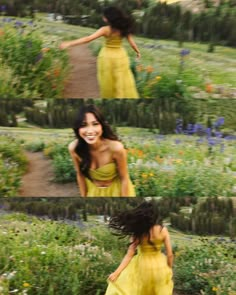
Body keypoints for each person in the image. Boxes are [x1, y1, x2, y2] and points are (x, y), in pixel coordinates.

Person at [60, 6, 140, 98]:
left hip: (107, 57)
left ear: (108, 18)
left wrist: (69, 43)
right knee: (121, 80)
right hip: (120, 56)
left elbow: (88, 39)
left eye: (104, 16)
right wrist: (137, 52)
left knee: (108, 81)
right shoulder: (123, 29)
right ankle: (120, 96)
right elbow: (132, 43)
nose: (103, 18)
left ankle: (111, 96)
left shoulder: (105, 30)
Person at [105, 200, 174, 295]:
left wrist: (116, 273)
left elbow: (129, 255)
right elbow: (170, 254)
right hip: (160, 266)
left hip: (142, 267)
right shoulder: (163, 230)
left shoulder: (138, 232)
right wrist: (169, 268)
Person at [68, 104, 135, 197]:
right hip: (93, 192)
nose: (90, 131)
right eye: (83, 125)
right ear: (78, 129)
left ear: (102, 126)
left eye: (95, 124)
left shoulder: (116, 148)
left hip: (117, 191)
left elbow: (124, 178)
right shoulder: (74, 148)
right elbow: (80, 175)